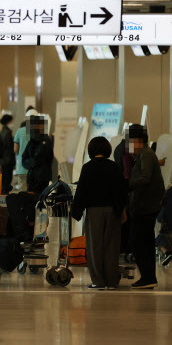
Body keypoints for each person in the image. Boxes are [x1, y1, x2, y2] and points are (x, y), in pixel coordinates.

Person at [71, 137, 128, 290]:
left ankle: (98, 281)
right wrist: (122, 209)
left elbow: (81, 191)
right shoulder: (114, 167)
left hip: (94, 211)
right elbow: (120, 190)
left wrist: (76, 211)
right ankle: (111, 281)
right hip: (112, 211)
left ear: (91, 150)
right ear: (107, 150)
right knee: (112, 246)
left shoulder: (88, 168)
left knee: (94, 246)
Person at [127, 124, 165, 289]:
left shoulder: (146, 155)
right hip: (145, 205)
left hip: (146, 206)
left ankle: (148, 277)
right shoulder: (144, 154)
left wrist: (127, 185)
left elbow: (145, 177)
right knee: (145, 242)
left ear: (136, 140)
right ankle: (149, 276)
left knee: (137, 241)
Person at [22, 115, 54, 194]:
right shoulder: (32, 141)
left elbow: (37, 159)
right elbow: (24, 158)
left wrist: (30, 162)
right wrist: (30, 163)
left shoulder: (46, 141)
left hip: (42, 179)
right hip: (32, 178)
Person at [14, 108, 38, 191]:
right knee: (33, 189)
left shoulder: (19, 131)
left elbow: (15, 149)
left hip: (22, 165)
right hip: (35, 166)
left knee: (22, 187)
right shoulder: (40, 132)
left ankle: (22, 203)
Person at [0, 115, 16, 194]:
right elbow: (9, 146)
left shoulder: (2, 131)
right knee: (7, 177)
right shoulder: (7, 132)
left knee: (5, 175)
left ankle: (4, 191)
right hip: (8, 158)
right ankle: (5, 193)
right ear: (8, 122)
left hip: (3, 159)